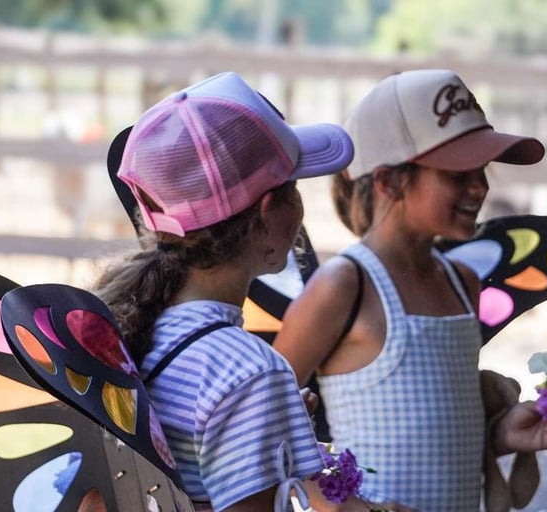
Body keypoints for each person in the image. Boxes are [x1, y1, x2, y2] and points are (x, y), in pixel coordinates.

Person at [92, 72, 395, 512]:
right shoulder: (248, 372)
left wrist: (269, 423)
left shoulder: (129, 327)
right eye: (293, 187)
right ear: (269, 214)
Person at [273, 69, 547, 512]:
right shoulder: (345, 286)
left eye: (482, 169)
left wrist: (501, 435)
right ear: (389, 181)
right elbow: (261, 426)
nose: (481, 186)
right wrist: (338, 503)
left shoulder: (461, 283)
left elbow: (437, 432)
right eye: (458, 173)